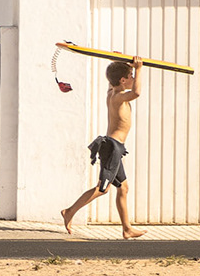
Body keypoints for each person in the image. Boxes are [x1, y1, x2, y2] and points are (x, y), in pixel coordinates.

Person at [61, 57, 146, 239]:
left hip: (116, 147)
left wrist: (116, 61)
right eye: (129, 76)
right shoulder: (118, 98)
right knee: (102, 189)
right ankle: (69, 212)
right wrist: (139, 69)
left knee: (123, 189)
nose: (132, 78)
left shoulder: (112, 92)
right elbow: (137, 93)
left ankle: (127, 229)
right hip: (112, 147)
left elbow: (112, 78)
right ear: (123, 81)